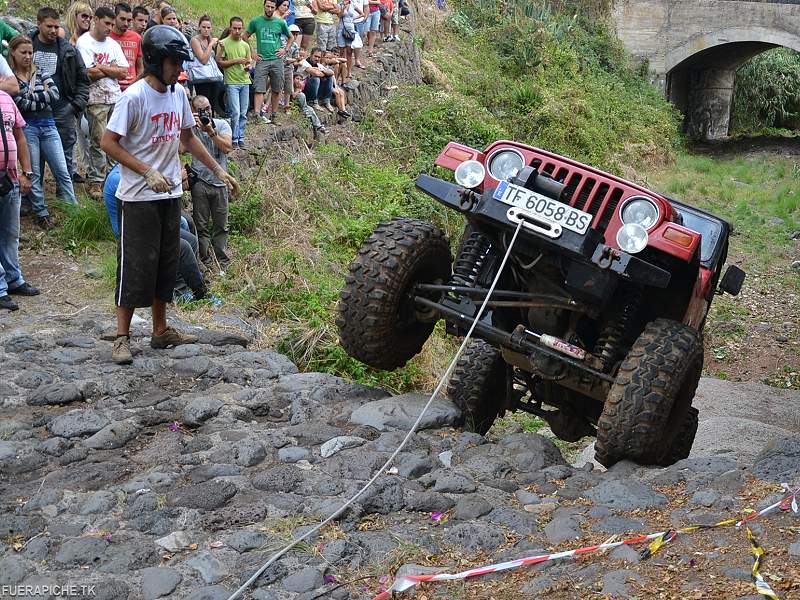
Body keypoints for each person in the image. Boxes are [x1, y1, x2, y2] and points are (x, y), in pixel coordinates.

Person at [100, 25, 239, 365]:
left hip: (171, 194)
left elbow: (188, 138)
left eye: (180, 63)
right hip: (137, 197)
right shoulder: (133, 97)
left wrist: (218, 171)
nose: (179, 70)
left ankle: (160, 330)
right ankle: (121, 337)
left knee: (167, 261)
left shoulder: (178, 94)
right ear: (154, 60)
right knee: (134, 265)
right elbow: (108, 142)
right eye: (174, 63)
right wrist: (146, 171)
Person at [104, 163, 209, 301]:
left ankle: (181, 282)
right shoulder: (119, 179)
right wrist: (177, 178)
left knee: (191, 240)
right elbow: (147, 200)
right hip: (132, 232)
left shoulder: (131, 173)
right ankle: (188, 292)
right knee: (182, 247)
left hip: (148, 223)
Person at [8, 36, 77, 230]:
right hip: (28, 127)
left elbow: (54, 94)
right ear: (13, 53)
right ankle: (41, 213)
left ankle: (74, 211)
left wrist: (31, 96)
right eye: (23, 52)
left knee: (62, 170)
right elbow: (20, 103)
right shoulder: (11, 78)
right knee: (34, 173)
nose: (28, 56)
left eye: (30, 52)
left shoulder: (40, 71)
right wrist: (41, 96)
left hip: (49, 125)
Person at [29, 7, 90, 188]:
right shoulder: (27, 46)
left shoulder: (68, 50)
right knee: (34, 158)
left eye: (56, 27)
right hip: (32, 110)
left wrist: (75, 106)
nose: (54, 31)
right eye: (49, 26)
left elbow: (83, 79)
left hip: (62, 109)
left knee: (65, 156)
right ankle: (34, 197)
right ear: (39, 24)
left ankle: (65, 195)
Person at [77, 6, 129, 198]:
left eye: (112, 24)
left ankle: (113, 177)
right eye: (106, 23)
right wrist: (111, 68)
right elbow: (88, 73)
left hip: (115, 96)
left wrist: (100, 66)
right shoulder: (84, 42)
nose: (109, 27)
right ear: (96, 20)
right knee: (98, 140)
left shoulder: (113, 44)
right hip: (95, 98)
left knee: (116, 139)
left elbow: (124, 72)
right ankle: (96, 181)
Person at [0, 87, 39, 311]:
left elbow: (20, 137)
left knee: (10, 233)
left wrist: (27, 171)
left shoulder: (6, 99)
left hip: (10, 177)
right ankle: (0, 288)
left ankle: (14, 279)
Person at [187, 95, 234, 273]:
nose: (206, 113)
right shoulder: (191, 128)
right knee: (201, 225)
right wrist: (189, 125)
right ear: (194, 111)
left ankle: (223, 261)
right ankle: (206, 261)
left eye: (207, 108)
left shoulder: (222, 124)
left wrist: (210, 131)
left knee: (221, 225)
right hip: (200, 182)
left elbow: (227, 148)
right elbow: (181, 149)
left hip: (220, 183)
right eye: (201, 110)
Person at [245, 0, 294, 125]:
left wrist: (285, 49)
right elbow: (245, 36)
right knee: (259, 88)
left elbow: (291, 37)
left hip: (277, 60)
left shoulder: (280, 22)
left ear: (275, 7)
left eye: (272, 7)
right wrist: (252, 52)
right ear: (264, 6)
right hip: (262, 59)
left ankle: (274, 115)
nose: (270, 9)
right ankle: (257, 115)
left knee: (277, 88)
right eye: (268, 6)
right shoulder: (256, 21)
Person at [216, 17, 251, 148]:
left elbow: (248, 62)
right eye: (235, 28)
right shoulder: (224, 43)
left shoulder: (245, 45)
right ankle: (234, 138)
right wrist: (235, 61)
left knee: (243, 112)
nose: (237, 31)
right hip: (231, 82)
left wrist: (248, 67)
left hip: (245, 81)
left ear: (242, 28)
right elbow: (219, 62)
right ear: (230, 28)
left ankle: (241, 137)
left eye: (239, 28)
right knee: (235, 112)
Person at [190, 16, 225, 116]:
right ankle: (202, 121)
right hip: (202, 77)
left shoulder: (209, 39)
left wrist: (222, 49)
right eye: (204, 27)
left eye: (208, 27)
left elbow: (214, 60)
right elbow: (203, 60)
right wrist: (210, 45)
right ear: (199, 27)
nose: (206, 30)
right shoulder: (195, 40)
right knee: (203, 104)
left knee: (213, 104)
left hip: (212, 77)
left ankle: (211, 120)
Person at [109, 2, 144, 93]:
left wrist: (136, 85)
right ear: (114, 18)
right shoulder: (107, 37)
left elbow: (140, 67)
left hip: (132, 88)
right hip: (112, 87)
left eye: (129, 20)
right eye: (122, 19)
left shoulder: (137, 38)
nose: (126, 23)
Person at [300, 47, 333, 111]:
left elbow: (331, 73)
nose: (317, 59)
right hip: (303, 90)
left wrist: (322, 71)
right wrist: (322, 73)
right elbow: (316, 73)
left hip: (316, 90)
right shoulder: (305, 62)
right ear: (311, 55)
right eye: (315, 56)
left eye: (319, 57)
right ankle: (312, 102)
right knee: (316, 79)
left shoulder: (318, 65)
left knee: (329, 77)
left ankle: (326, 101)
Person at [291, 72, 325, 136]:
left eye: (300, 79)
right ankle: (306, 113)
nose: (299, 81)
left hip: (301, 105)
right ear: (293, 79)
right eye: (297, 79)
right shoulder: (290, 86)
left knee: (311, 109)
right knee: (301, 95)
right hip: (292, 105)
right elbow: (293, 96)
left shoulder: (299, 86)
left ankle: (318, 126)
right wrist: (298, 90)